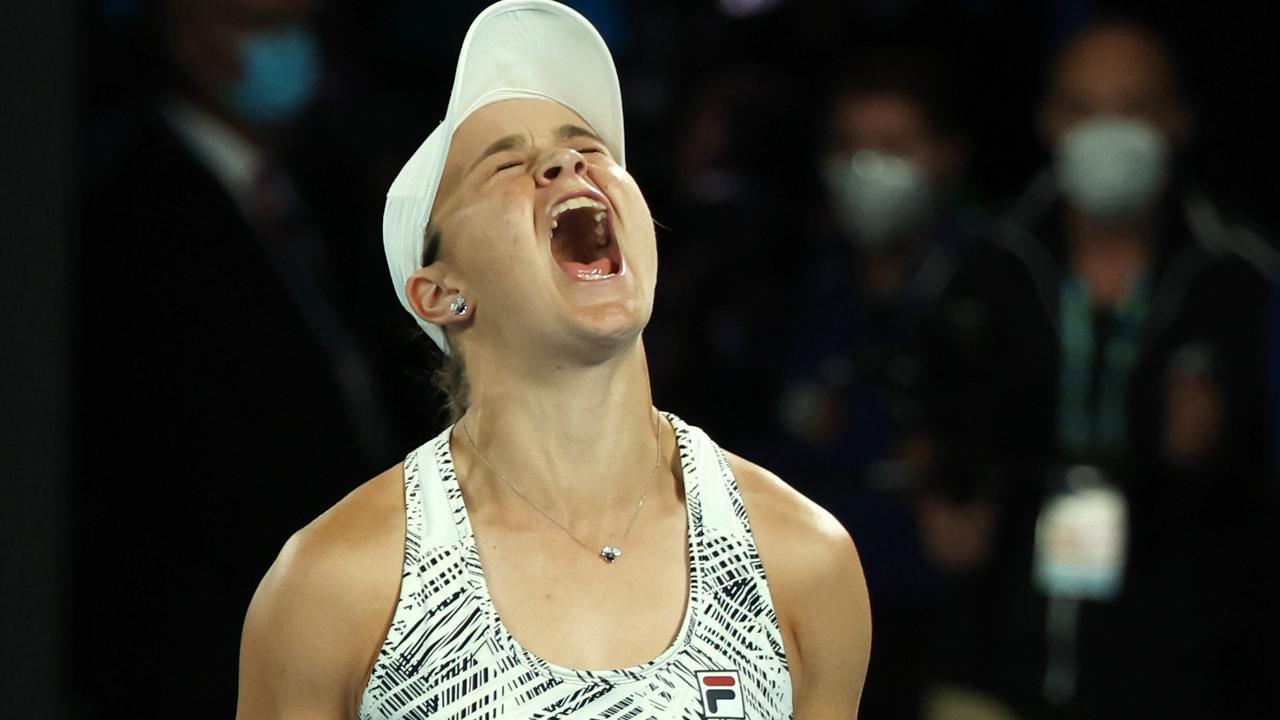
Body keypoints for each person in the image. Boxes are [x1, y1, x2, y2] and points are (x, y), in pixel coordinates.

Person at [234, 2, 871, 719]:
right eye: (505, 161)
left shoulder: (802, 561)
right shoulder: (337, 586)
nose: (567, 162)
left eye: (591, 150)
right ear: (442, 293)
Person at [918, 18, 1278, 719]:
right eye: (1083, 109)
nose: (1106, 134)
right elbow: (926, 414)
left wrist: (1216, 451)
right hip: (993, 657)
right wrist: (938, 485)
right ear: (1049, 121)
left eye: (1133, 109)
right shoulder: (984, 269)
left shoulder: (1243, 278)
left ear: (1178, 120)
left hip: (1185, 672)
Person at [73, 0, 411, 714]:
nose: (293, 49)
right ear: (191, 33)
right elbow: (197, 450)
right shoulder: (130, 210)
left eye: (302, 24)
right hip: (208, 648)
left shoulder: (314, 192)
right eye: (268, 26)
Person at [771, 48, 977, 720]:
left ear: (947, 155)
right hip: (812, 613)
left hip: (946, 621)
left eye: (894, 145)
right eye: (851, 147)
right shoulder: (803, 285)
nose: (869, 169)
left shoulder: (989, 285)